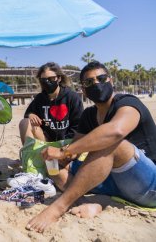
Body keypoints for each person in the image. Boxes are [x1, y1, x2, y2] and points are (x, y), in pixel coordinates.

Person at [26, 61, 156, 233]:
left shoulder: (128, 103)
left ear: (110, 81)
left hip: (148, 185)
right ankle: (87, 203)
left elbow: (115, 132)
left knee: (111, 144)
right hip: (111, 182)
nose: (96, 84)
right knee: (55, 166)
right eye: (89, 82)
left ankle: (58, 207)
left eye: (101, 78)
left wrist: (64, 150)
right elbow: (73, 151)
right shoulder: (89, 115)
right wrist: (57, 157)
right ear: (84, 90)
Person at [19, 62, 83, 145]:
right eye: (43, 80)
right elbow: (28, 113)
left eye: (52, 78)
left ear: (59, 78)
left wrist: (64, 146)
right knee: (24, 122)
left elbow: (78, 125)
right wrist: (31, 115)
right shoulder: (40, 98)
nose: (47, 82)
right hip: (45, 141)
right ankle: (28, 154)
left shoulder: (72, 97)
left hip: (67, 142)